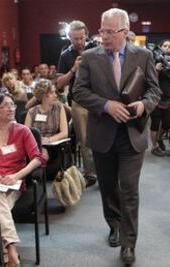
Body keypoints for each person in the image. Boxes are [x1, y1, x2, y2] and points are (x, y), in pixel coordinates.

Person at [73, 8, 161, 266]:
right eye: (101, 30)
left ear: (124, 32)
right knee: (108, 186)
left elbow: (155, 91)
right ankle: (114, 223)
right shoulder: (90, 57)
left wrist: (144, 105)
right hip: (103, 133)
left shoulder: (143, 55)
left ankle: (128, 243)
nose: (104, 36)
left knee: (130, 190)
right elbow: (79, 91)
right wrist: (106, 105)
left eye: (110, 31)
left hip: (133, 134)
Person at [0, 93, 44, 267]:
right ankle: (11, 248)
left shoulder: (23, 131)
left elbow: (37, 159)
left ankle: (6, 253)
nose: (11, 109)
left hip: (14, 184)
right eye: (5, 106)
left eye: (12, 105)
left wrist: (16, 176)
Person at [57, 20, 97, 187]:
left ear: (86, 35)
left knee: (104, 137)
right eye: (75, 39)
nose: (79, 42)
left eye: (81, 38)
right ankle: (91, 174)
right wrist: (73, 69)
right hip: (79, 102)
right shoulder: (65, 55)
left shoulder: (97, 49)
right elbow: (59, 84)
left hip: (99, 100)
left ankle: (106, 172)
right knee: (85, 140)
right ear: (69, 37)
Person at [25, 79, 68, 161]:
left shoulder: (59, 108)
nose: (55, 95)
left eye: (55, 92)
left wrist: (49, 140)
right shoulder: (32, 111)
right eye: (51, 93)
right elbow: (26, 134)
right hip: (35, 145)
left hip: (54, 144)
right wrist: (39, 143)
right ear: (43, 95)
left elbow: (64, 133)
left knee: (45, 155)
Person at [151, 39, 170, 156]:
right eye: (165, 46)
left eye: (169, 46)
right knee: (155, 123)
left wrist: (168, 72)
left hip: (168, 95)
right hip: (156, 95)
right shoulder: (155, 60)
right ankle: (154, 147)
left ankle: (158, 138)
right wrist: (157, 70)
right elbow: (152, 79)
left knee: (168, 123)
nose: (167, 48)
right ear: (160, 47)